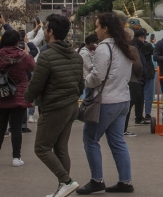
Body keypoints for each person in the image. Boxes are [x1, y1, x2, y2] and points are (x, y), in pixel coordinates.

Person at [23, 14, 83, 197]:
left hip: (55, 107)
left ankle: (66, 181)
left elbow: (35, 84)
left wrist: (27, 97)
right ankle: (63, 188)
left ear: (50, 31)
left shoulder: (46, 56)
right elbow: (81, 85)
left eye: (46, 27)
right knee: (61, 148)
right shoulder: (76, 56)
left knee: (41, 147)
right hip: (71, 105)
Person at [77, 12, 136, 194]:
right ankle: (125, 181)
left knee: (90, 138)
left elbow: (97, 76)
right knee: (117, 141)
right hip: (123, 98)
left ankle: (97, 180)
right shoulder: (125, 47)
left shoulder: (104, 48)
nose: (96, 30)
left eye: (97, 26)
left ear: (105, 28)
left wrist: (86, 79)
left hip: (106, 101)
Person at [0, 28, 34, 168]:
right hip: (18, 94)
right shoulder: (23, 56)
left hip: (1, 92)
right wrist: (26, 52)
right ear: (17, 41)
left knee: (0, 127)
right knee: (17, 127)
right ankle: (16, 158)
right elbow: (32, 67)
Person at [133, 28, 154, 124]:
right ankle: (142, 115)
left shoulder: (139, 46)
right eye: (142, 37)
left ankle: (140, 116)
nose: (144, 39)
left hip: (144, 74)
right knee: (142, 96)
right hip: (144, 74)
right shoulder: (140, 47)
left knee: (141, 96)